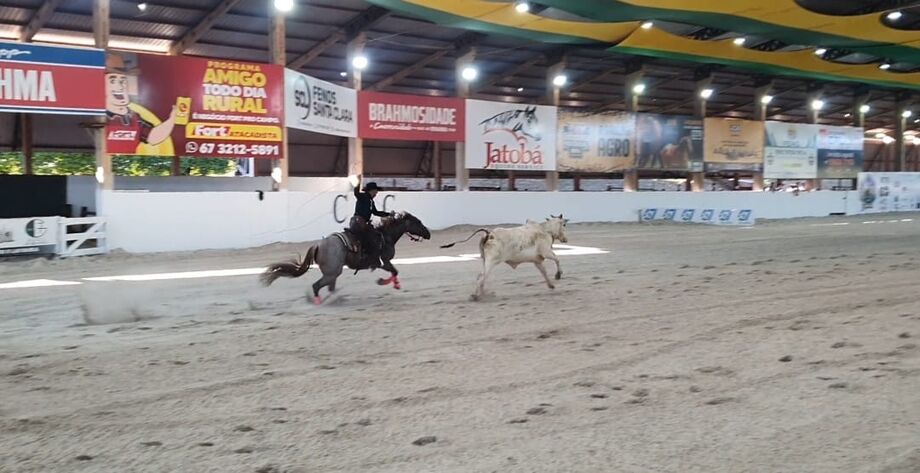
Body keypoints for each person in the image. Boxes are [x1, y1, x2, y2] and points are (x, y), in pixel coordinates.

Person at [351, 178, 391, 269]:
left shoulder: (371, 201)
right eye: (376, 192)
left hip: (360, 222)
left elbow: (375, 212)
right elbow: (356, 193)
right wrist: (358, 182)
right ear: (372, 191)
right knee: (373, 236)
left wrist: (388, 214)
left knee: (373, 235)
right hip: (359, 221)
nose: (376, 194)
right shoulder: (362, 196)